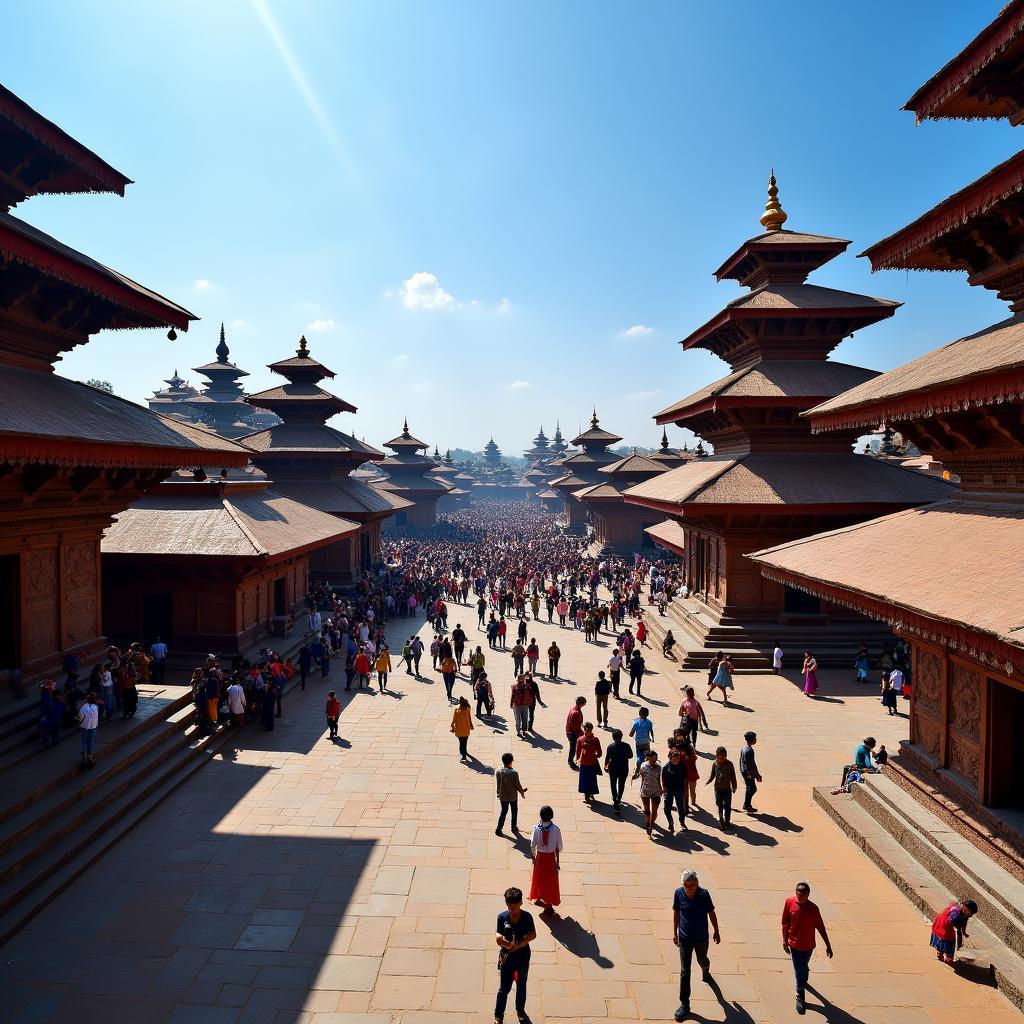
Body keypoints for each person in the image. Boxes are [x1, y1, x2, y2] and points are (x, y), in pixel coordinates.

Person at [671, 869, 720, 1021]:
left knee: (702, 960)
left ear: (697, 884)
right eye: (686, 885)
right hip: (685, 938)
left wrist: (716, 931)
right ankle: (684, 1004)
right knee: (685, 971)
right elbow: (676, 912)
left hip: (701, 938)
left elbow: (711, 913)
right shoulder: (678, 893)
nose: (688, 889)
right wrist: (675, 932)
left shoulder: (704, 895)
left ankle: (706, 970)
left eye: (691, 885)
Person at [782, 881, 833, 1015]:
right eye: (798, 895)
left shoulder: (814, 909)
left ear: (808, 895)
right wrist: (784, 940)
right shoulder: (789, 902)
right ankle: (800, 996)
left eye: (803, 896)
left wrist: (828, 945)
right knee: (799, 971)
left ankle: (804, 972)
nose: (800, 898)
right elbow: (785, 922)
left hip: (808, 946)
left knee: (803, 967)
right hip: (794, 944)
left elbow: (821, 927)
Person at [494, 886, 536, 1024]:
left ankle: (520, 1011)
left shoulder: (527, 917)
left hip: (522, 956)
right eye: (509, 905)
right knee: (504, 988)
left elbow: (533, 935)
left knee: (521, 985)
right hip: (507, 958)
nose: (511, 908)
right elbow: (498, 935)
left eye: (514, 905)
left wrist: (520, 944)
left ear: (520, 903)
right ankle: (498, 1015)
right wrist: (505, 943)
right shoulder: (502, 917)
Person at [529, 805, 562, 909]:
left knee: (539, 878)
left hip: (540, 857)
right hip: (551, 858)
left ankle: (538, 896)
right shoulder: (556, 829)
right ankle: (549, 901)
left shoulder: (536, 828)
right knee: (550, 880)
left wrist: (533, 856)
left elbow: (532, 844)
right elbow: (560, 847)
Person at [930, 897, 977, 967]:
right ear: (965, 908)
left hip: (952, 928)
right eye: (970, 913)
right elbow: (951, 921)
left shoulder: (965, 914)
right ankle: (942, 955)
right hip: (944, 926)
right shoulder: (956, 913)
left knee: (952, 942)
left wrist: (964, 932)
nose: (971, 915)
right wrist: (955, 928)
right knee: (945, 941)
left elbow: (964, 923)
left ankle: (947, 954)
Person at [495, 752, 528, 834]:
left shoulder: (498, 771)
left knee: (503, 811)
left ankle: (498, 829)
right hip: (513, 796)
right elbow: (517, 785)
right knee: (514, 811)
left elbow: (498, 783)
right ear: (511, 761)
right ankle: (513, 827)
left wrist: (498, 793)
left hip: (503, 796)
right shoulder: (514, 773)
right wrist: (522, 791)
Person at [706, 746, 738, 829]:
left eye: (723, 757)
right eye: (719, 756)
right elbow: (713, 774)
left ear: (726, 756)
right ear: (716, 756)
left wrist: (734, 786)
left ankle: (727, 821)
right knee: (719, 804)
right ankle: (721, 819)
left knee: (727, 805)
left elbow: (733, 776)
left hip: (727, 789)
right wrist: (709, 780)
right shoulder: (715, 764)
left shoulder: (729, 764)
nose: (721, 758)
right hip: (717, 788)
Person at [634, 749, 663, 838]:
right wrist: (641, 789)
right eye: (654, 759)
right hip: (645, 791)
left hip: (655, 791)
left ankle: (650, 825)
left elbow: (658, 779)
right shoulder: (643, 766)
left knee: (654, 811)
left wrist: (660, 788)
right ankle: (648, 820)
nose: (655, 760)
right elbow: (642, 778)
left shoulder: (658, 767)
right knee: (647, 811)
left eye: (656, 758)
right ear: (649, 758)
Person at [604, 729, 633, 817]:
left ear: (613, 737)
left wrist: (605, 766)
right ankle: (619, 798)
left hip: (613, 768)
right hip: (623, 768)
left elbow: (607, 758)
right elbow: (630, 756)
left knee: (613, 784)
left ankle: (615, 801)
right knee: (621, 784)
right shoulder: (626, 746)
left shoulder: (610, 747)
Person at [662, 748, 689, 834]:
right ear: (670, 757)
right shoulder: (666, 767)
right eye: (674, 758)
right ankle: (671, 822)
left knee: (681, 807)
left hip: (679, 790)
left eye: (678, 758)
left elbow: (685, 779)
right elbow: (663, 778)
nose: (676, 759)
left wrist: (685, 790)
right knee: (667, 808)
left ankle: (682, 822)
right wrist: (664, 788)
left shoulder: (682, 766)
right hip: (669, 790)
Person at [575, 722, 603, 804]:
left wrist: (597, 755)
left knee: (590, 779)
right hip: (584, 763)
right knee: (585, 779)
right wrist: (577, 759)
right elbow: (578, 750)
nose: (586, 732)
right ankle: (587, 794)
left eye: (588, 730)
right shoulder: (580, 739)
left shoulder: (595, 740)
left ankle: (589, 794)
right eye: (586, 730)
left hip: (591, 763)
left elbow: (599, 752)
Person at [739, 731, 762, 813]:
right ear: (752, 740)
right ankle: (747, 804)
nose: (756, 740)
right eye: (755, 738)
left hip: (744, 771)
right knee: (752, 788)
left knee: (749, 788)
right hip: (748, 773)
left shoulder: (745, 747)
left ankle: (747, 804)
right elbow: (749, 765)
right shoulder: (749, 751)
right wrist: (755, 775)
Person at [78, 691, 99, 770]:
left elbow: (80, 717)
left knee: (85, 742)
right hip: (93, 727)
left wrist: (78, 720)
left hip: (84, 727)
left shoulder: (83, 707)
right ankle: (90, 755)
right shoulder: (95, 707)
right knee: (91, 741)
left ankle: (85, 755)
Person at [565, 696, 586, 770]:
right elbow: (574, 726)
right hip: (572, 733)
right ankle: (570, 762)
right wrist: (580, 734)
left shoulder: (574, 709)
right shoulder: (576, 713)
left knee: (574, 747)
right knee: (573, 748)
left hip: (570, 731)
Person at [451, 695, 474, 761]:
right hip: (463, 728)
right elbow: (454, 719)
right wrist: (452, 726)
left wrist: (452, 727)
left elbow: (454, 719)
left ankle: (463, 754)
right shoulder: (465, 708)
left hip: (462, 728)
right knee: (463, 742)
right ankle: (464, 753)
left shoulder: (461, 709)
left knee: (463, 742)